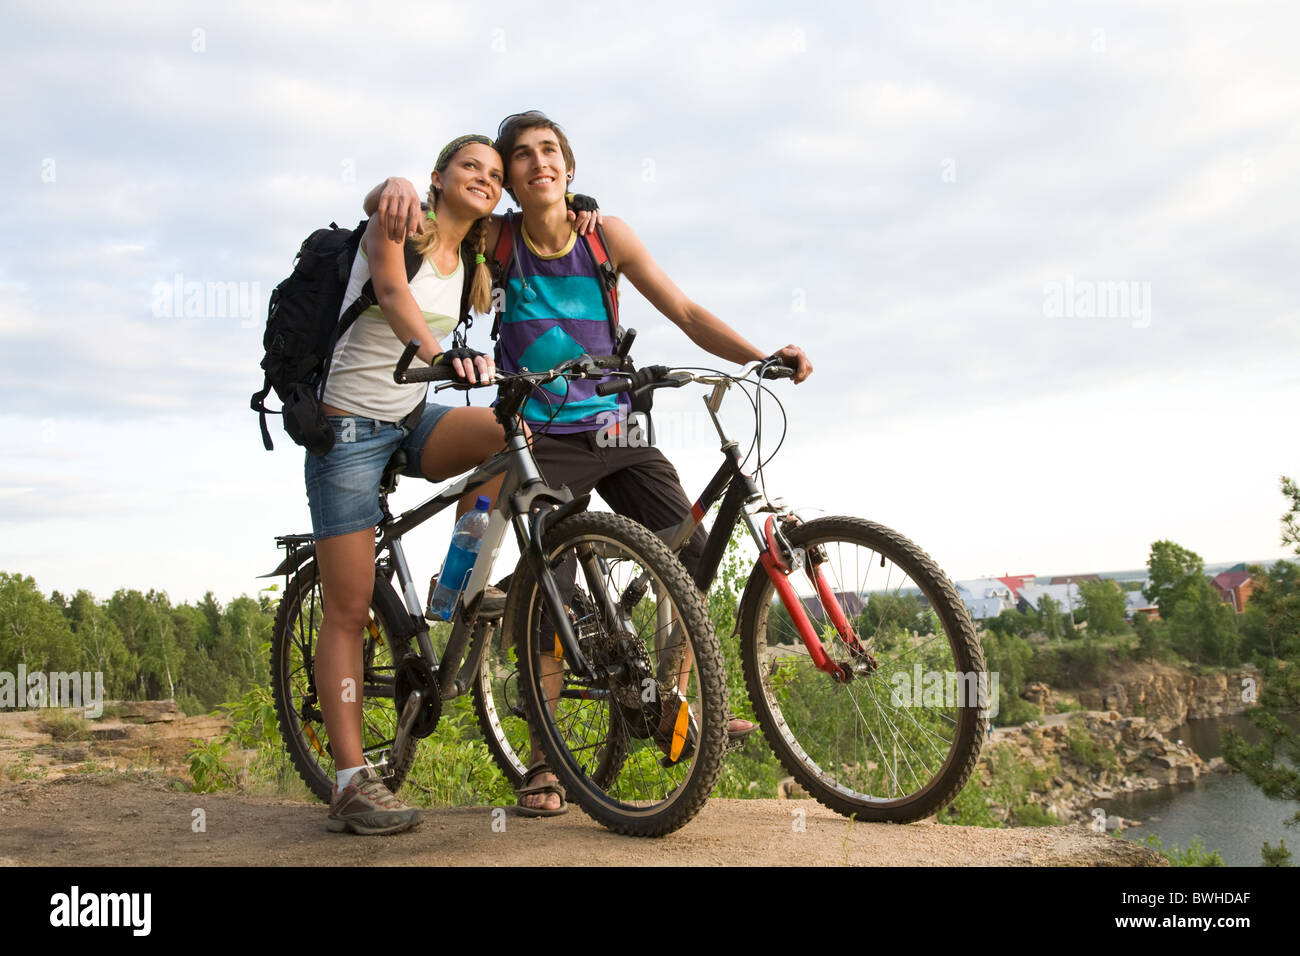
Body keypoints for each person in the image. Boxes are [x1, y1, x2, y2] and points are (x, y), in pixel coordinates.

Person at [362, 111, 813, 817]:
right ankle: (544, 764)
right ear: (509, 178)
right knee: (553, 587)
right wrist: (390, 184)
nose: (537, 162)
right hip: (540, 435)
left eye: (550, 151)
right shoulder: (498, 237)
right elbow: (431, 218)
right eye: (521, 155)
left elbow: (686, 310)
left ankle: (675, 703)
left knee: (689, 557)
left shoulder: (607, 235)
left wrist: (756, 355)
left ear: (569, 167)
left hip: (614, 428)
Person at [309, 134, 507, 835]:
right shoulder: (400, 221)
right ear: (439, 177)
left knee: (511, 435)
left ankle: (454, 585)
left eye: (493, 173)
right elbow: (391, 290)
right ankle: (350, 782)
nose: (483, 178)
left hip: (409, 417)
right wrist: (439, 354)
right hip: (350, 431)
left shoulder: (471, 261)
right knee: (349, 607)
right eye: (470, 167)